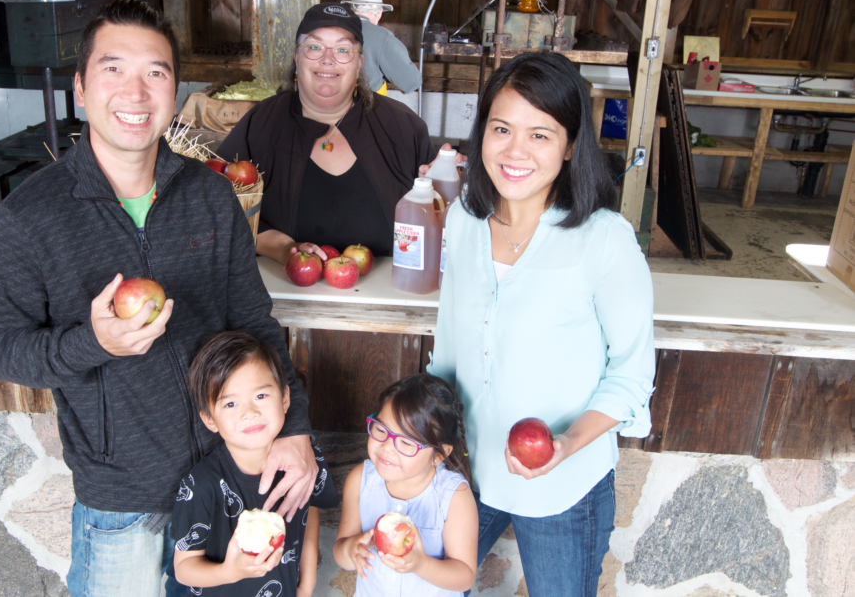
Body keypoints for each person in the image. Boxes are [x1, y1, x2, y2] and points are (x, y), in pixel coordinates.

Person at [0, 1, 318, 597]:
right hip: (124, 499)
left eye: (155, 72)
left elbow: (253, 320)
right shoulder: (29, 216)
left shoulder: (210, 197)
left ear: (175, 91)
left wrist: (296, 425)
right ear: (80, 88)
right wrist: (91, 343)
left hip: (224, 480)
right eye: (113, 68)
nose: (135, 90)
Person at [427, 52, 655, 597]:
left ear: (571, 145)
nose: (515, 151)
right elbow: (448, 349)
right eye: (502, 129)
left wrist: (566, 444)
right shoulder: (463, 220)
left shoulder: (604, 240)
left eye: (540, 135)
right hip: (467, 474)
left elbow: (630, 375)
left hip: (562, 486)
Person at [217, 2, 438, 265]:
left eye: (343, 49)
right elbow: (217, 205)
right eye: (314, 47)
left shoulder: (402, 126)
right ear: (297, 58)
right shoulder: (261, 124)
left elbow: (441, 217)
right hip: (280, 293)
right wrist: (282, 248)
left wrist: (447, 189)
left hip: (392, 294)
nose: (327, 59)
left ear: (359, 63)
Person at [172, 331, 338, 597]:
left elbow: (309, 513)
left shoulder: (303, 464)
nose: (249, 412)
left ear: (285, 398)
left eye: (261, 396)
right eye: (231, 403)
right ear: (209, 419)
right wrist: (231, 571)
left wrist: (306, 584)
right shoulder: (202, 484)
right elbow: (184, 568)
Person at [333, 374, 478, 596]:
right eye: (381, 430)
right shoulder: (360, 480)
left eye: (407, 442)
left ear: (439, 455)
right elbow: (341, 551)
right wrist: (351, 551)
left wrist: (421, 564)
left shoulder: (454, 496)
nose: (388, 447)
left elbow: (465, 576)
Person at [343, 0, 422, 95]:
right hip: (366, 107)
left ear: (351, 8)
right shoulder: (382, 36)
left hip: (328, 105)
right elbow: (411, 82)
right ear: (380, 12)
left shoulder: (333, 29)